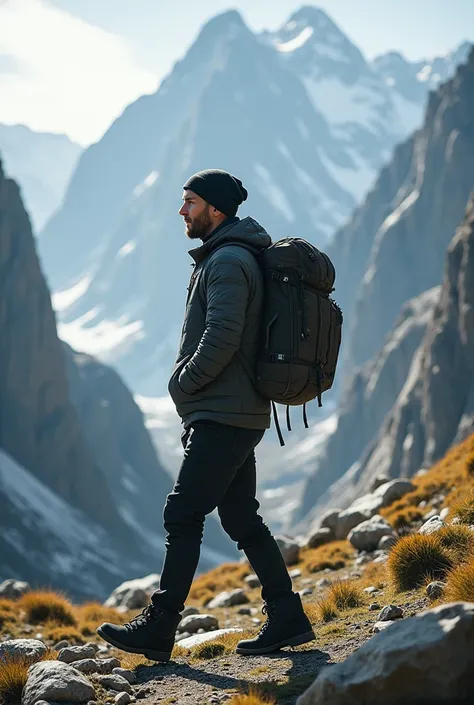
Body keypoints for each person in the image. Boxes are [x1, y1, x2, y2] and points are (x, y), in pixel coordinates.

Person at [97, 169, 315, 661]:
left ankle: (159, 626)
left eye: (190, 202)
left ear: (215, 209)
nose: (182, 211)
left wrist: (183, 383)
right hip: (233, 410)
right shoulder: (232, 255)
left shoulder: (229, 261)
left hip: (224, 412)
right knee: (240, 516)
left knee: (183, 512)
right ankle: (288, 616)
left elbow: (222, 337)